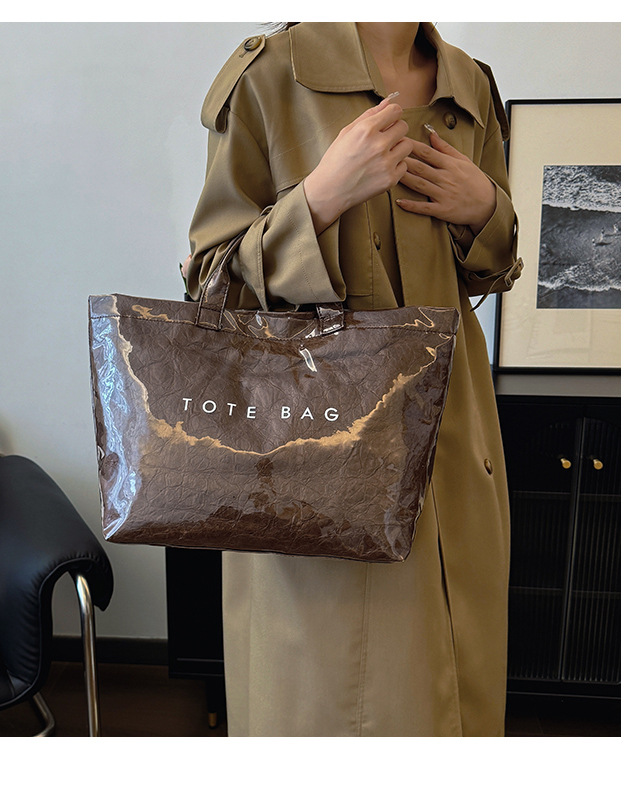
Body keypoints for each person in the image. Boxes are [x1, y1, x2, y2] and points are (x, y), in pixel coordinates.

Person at [183, 22, 523, 737]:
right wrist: (316, 202)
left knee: (458, 688)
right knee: (331, 703)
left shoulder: (469, 84)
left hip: (457, 445)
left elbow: (486, 274)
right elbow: (212, 283)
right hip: (322, 458)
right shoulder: (270, 75)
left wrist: (486, 213)